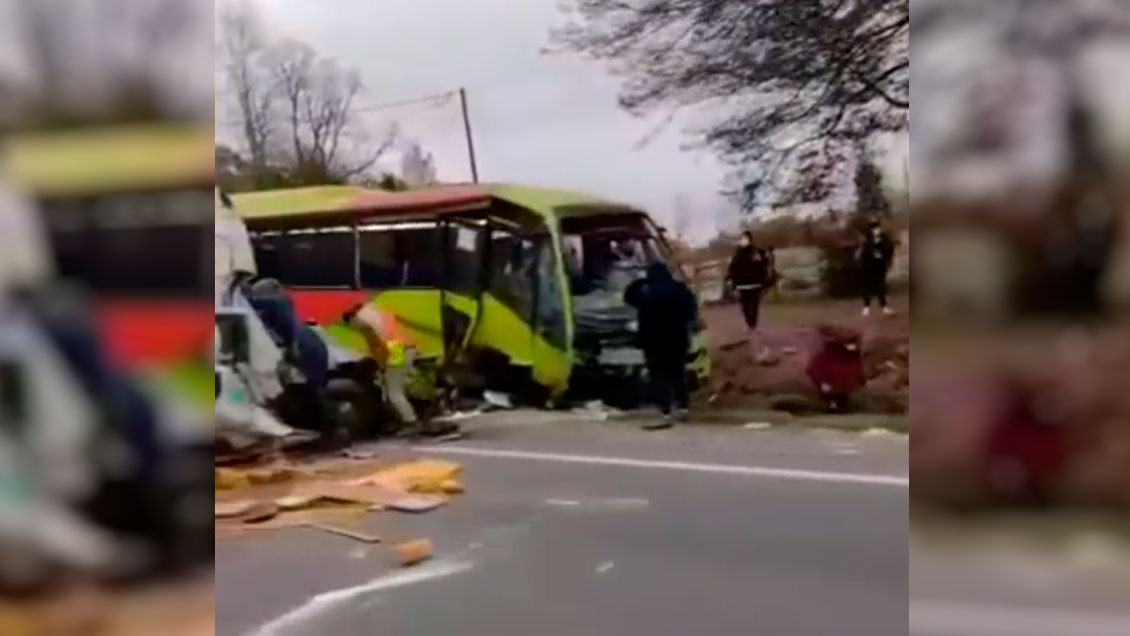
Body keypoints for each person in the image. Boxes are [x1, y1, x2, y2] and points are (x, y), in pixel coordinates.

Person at [625, 262, 698, 430]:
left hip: (653, 342)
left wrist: (640, 281)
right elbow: (691, 310)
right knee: (677, 373)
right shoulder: (680, 289)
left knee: (658, 376)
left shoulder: (646, 292)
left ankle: (665, 409)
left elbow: (628, 297)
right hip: (677, 340)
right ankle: (683, 406)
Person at [725, 231, 776, 363]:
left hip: (756, 287)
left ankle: (754, 336)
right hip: (742, 288)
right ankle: (753, 337)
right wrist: (731, 285)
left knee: (753, 311)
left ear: (750, 239)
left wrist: (767, 278)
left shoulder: (758, 252)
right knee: (747, 312)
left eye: (746, 238)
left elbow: (768, 265)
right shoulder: (737, 255)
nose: (744, 240)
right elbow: (731, 271)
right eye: (742, 238)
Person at [857, 218, 896, 316]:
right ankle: (866, 306)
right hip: (869, 265)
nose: (875, 229)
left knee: (881, 286)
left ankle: (884, 306)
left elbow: (890, 248)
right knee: (867, 286)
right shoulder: (867, 239)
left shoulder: (884, 238)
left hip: (880, 265)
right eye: (873, 228)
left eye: (876, 227)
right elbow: (863, 252)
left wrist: (885, 257)